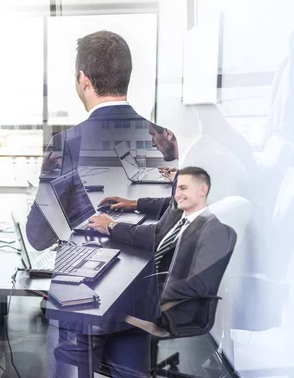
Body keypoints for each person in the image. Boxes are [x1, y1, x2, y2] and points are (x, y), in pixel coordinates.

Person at [27, 30, 168, 378]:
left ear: (83, 79)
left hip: (81, 299)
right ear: (127, 77)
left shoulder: (66, 143)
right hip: (140, 297)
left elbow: (38, 236)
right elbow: (164, 226)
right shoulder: (164, 138)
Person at [89, 167, 237, 328]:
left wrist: (112, 226)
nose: (177, 195)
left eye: (182, 188)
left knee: (97, 306)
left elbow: (157, 237)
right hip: (169, 288)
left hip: (171, 308)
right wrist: (135, 204)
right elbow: (172, 204)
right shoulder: (194, 212)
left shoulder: (211, 230)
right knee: (107, 290)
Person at [99, 121, 179, 220]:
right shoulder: (187, 169)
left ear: (168, 133)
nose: (153, 143)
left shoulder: (189, 174)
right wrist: (133, 204)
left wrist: (111, 226)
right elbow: (174, 204)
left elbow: (158, 231)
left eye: (153, 135)